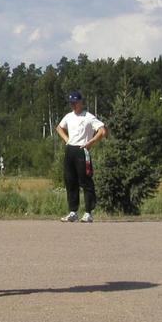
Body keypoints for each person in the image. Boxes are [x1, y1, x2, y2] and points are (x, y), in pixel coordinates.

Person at [57, 91, 107, 223]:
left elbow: (102, 130)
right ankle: (73, 211)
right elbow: (59, 128)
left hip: (82, 149)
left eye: (75, 103)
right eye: (71, 103)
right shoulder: (68, 116)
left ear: (80, 102)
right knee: (70, 180)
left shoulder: (88, 117)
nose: (73, 105)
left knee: (85, 181)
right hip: (70, 149)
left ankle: (88, 212)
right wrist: (66, 139)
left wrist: (91, 142)